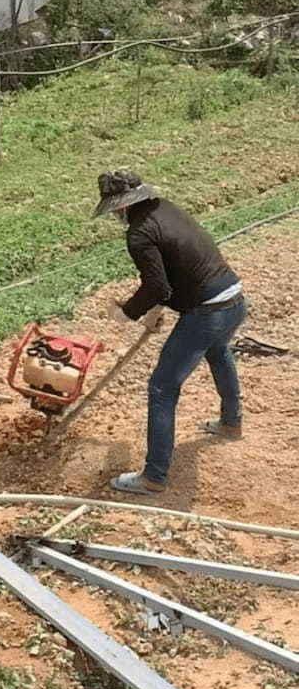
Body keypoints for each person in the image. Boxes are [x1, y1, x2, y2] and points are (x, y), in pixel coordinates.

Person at [95, 169, 247, 495]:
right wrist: (155, 308)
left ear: (119, 206)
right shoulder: (166, 208)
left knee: (162, 387)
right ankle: (231, 422)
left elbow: (156, 285)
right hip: (233, 298)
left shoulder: (138, 234)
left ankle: (153, 476)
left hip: (207, 312)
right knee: (218, 351)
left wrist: (128, 313)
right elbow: (175, 268)